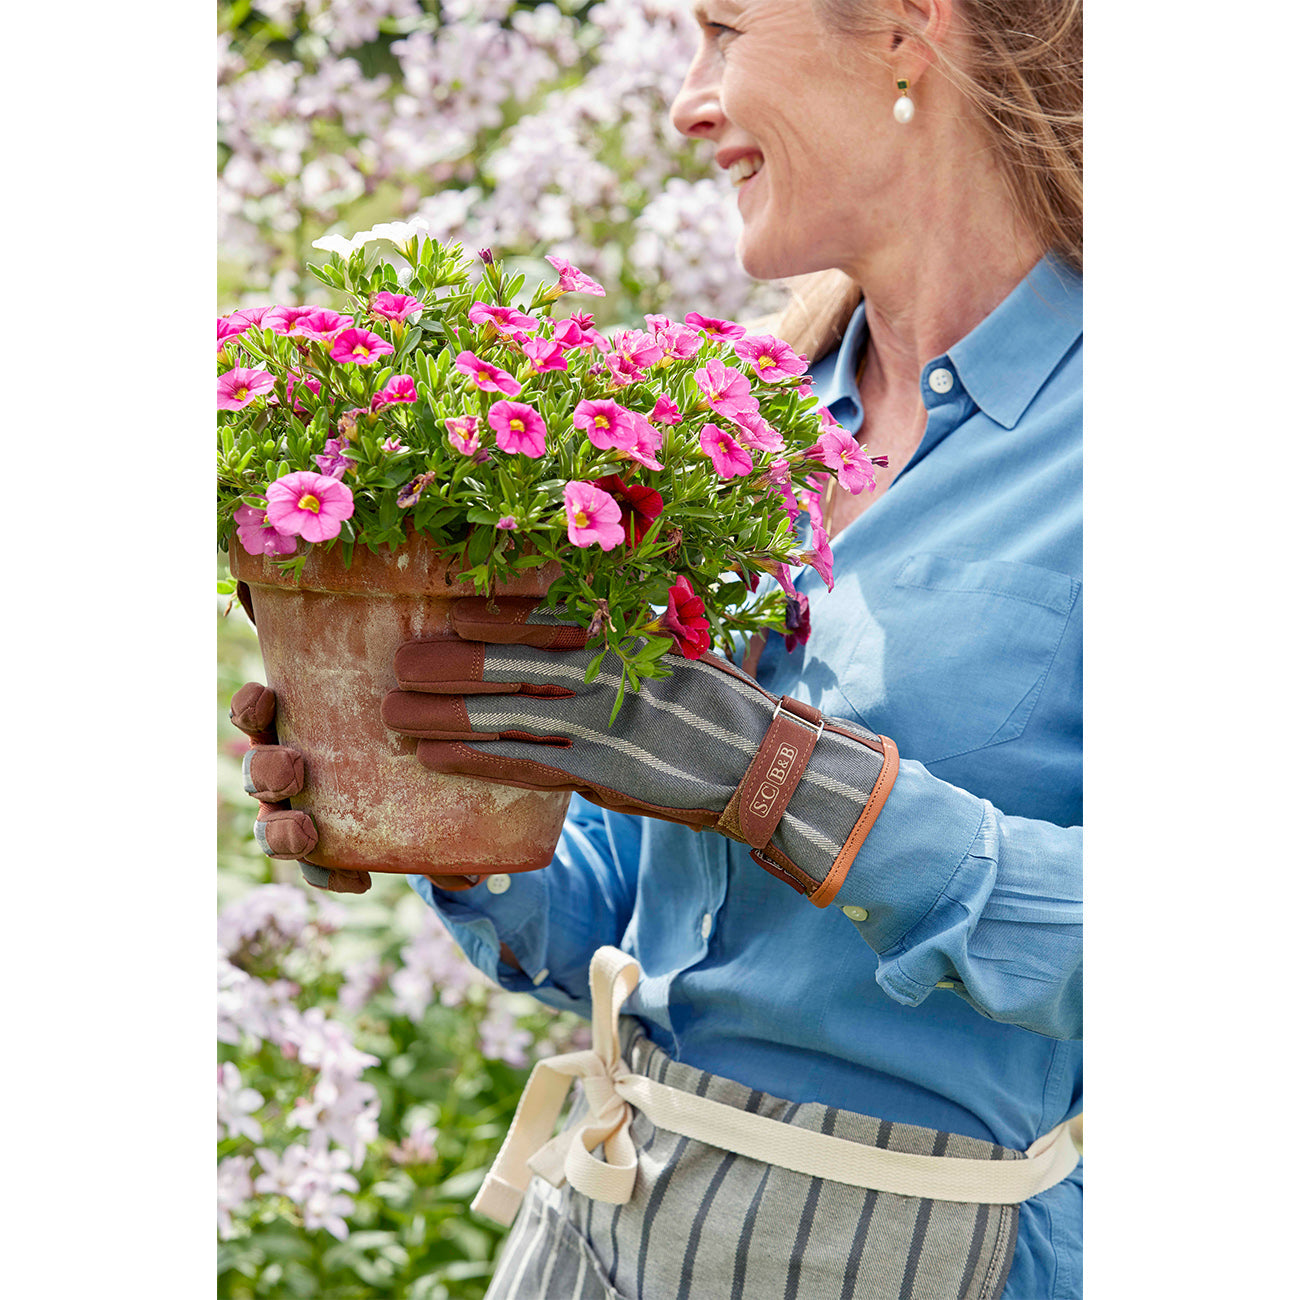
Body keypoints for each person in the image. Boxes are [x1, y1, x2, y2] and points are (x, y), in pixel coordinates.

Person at [234, 0, 1083, 1294]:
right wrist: (437, 790)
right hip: (609, 1206)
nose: (688, 101)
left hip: (909, 1246)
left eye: (725, 31)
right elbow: (617, 923)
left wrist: (790, 786)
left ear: (909, 31)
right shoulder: (753, 430)